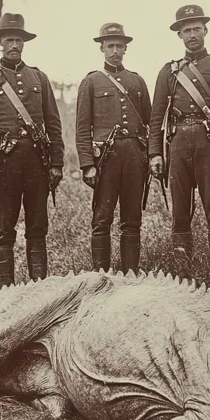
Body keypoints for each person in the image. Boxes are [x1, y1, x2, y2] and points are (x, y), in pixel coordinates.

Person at [0, 12, 64, 288]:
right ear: (0, 43)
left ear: (24, 43)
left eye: (18, 40)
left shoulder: (38, 77)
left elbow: (53, 123)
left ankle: (39, 291)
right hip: (3, 164)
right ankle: (5, 295)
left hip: (36, 163)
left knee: (37, 227)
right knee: (3, 229)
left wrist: (56, 162)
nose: (14, 45)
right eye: (9, 39)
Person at [149, 4, 210, 292]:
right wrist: (155, 153)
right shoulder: (168, 72)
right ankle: (183, 283)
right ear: (179, 34)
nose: (192, 34)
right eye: (186, 30)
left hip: (209, 144)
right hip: (177, 145)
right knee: (179, 213)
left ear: (205, 31)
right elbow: (156, 116)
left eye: (196, 28)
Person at [76, 23, 151, 273]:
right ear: (102, 48)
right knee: (101, 220)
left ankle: (130, 276)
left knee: (132, 220)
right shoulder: (91, 82)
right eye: (110, 46)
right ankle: (101, 277)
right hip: (105, 161)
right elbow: (82, 126)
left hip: (133, 157)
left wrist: (148, 157)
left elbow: (149, 122)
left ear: (126, 48)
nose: (115, 51)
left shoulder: (137, 81)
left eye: (120, 46)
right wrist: (87, 165)